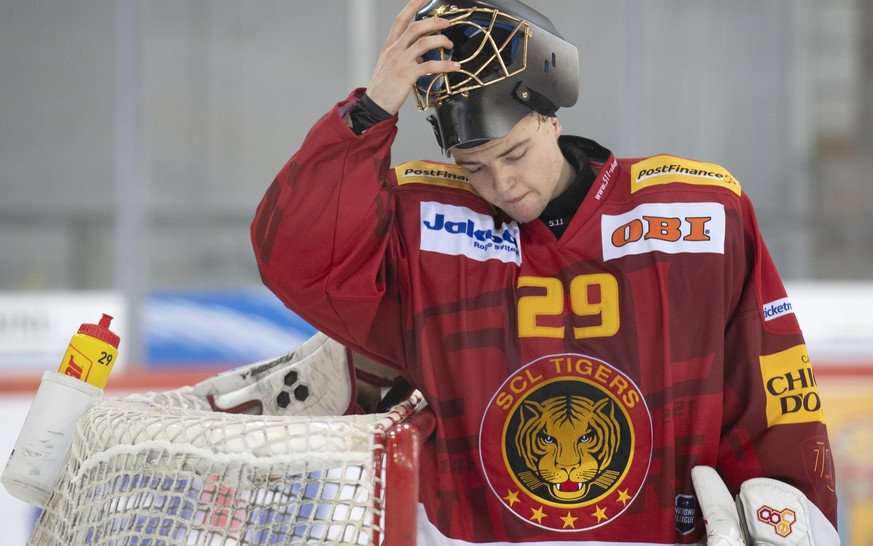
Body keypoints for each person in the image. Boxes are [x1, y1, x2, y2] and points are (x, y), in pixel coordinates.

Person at [251, 0, 839, 543]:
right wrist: (370, 110)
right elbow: (301, 263)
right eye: (474, 167)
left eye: (513, 154)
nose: (501, 184)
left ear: (550, 120)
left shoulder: (698, 217)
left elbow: (773, 394)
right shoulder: (423, 225)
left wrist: (792, 518)